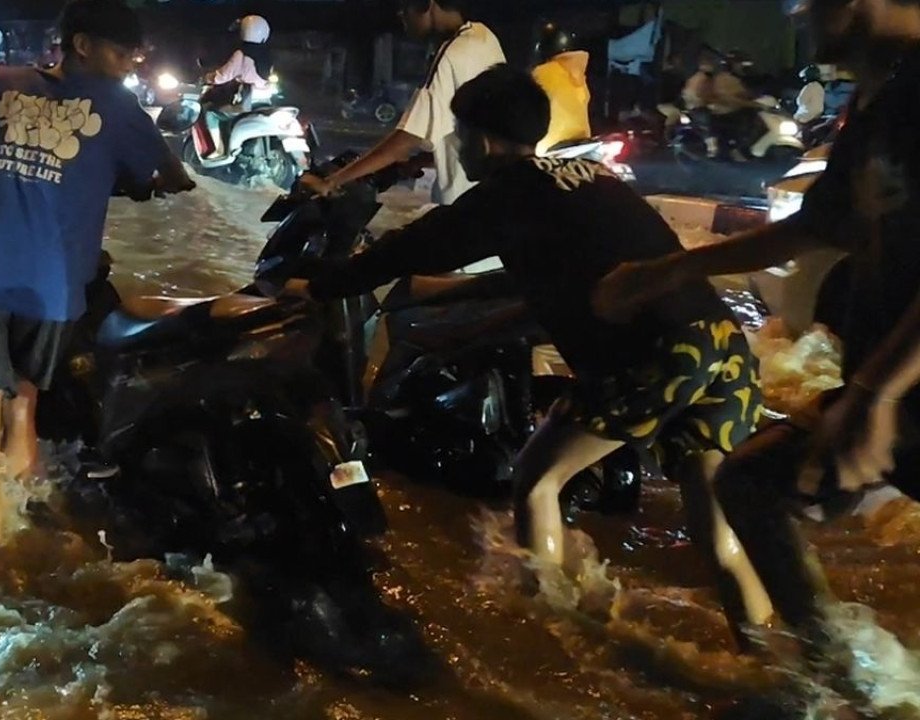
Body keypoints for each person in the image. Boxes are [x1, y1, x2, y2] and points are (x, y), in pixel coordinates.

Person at [288, 66, 774, 633]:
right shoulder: (586, 175)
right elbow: (549, 278)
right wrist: (456, 311)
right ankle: (771, 654)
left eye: (460, 133)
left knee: (538, 479)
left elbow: (420, 245)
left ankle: (550, 637)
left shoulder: (508, 191)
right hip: (719, 344)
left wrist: (320, 285)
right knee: (718, 538)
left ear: (485, 140)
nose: (456, 145)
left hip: (654, 353)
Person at [594, 0, 920, 690]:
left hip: (897, 392)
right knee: (750, 482)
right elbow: (822, 226)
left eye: (803, 5)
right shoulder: (877, 102)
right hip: (898, 395)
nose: (795, 19)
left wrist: (873, 394)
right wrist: (669, 269)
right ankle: (843, 685)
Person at [0, 0, 195, 561]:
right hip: (53, 288)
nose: (127, 68)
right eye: (120, 55)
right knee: (23, 408)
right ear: (82, 44)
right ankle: (26, 515)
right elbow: (171, 176)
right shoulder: (118, 105)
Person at [301, 0, 505, 205]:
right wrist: (419, 161)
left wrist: (332, 181)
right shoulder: (484, 38)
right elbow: (466, 132)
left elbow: (407, 137)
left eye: (404, 9)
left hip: (461, 205)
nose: (401, 16)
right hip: (490, 197)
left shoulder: (452, 52)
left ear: (428, 5)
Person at [199, 15, 274, 159]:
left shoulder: (241, 54)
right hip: (264, 98)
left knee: (211, 113)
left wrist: (209, 77)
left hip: (246, 100)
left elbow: (223, 76)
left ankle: (220, 150)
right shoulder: (267, 55)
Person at [530, 22, 592, 156]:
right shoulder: (578, 75)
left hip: (551, 145)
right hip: (582, 141)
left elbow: (524, 102)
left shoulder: (542, 73)